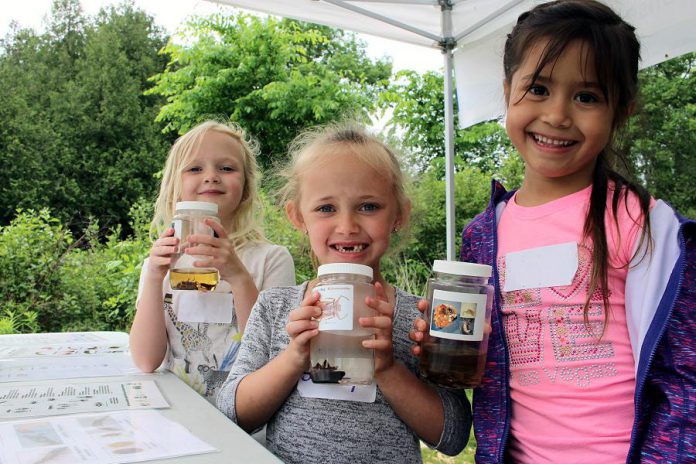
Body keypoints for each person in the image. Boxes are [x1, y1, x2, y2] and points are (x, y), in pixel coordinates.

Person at [409, 1, 695, 462]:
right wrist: (442, 347)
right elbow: (489, 366)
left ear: (622, 109)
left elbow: (684, 371)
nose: (558, 115)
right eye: (538, 89)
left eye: (587, 97)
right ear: (507, 91)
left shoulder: (644, 224)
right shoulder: (483, 235)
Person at [216, 123, 470, 463]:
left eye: (368, 207)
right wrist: (294, 357)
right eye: (325, 208)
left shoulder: (419, 317)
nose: (347, 225)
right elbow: (232, 413)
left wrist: (388, 368)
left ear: (399, 214)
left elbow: (452, 436)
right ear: (297, 216)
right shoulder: (276, 308)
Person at [130, 120, 296, 403]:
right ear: (175, 187)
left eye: (227, 168)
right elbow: (147, 360)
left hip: (245, 420)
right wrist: (155, 276)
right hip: (177, 416)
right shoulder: (159, 264)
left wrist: (239, 277)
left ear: (246, 187)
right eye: (195, 168)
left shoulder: (270, 259)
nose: (211, 176)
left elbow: (275, 355)